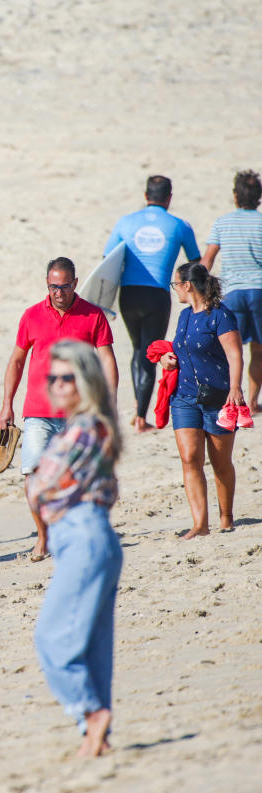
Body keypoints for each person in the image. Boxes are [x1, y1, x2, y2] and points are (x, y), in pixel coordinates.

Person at [27, 339, 123, 759]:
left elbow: (42, 485)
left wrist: (39, 488)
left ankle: (89, 712)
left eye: (68, 378)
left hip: (83, 535)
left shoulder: (85, 428)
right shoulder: (87, 427)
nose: (59, 385)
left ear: (86, 381)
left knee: (52, 637)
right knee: (94, 644)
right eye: (54, 378)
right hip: (87, 536)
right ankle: (94, 732)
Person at [0, 257, 118, 562]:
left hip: (79, 413)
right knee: (34, 474)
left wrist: (109, 404)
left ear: (75, 284)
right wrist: (6, 406)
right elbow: (16, 361)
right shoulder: (31, 316)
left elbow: (107, 360)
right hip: (38, 411)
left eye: (64, 286)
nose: (58, 293)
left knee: (78, 478)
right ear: (47, 284)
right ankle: (43, 537)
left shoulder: (93, 316)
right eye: (53, 287)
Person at [104, 175, 200, 433]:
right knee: (150, 352)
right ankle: (139, 417)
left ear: (146, 196)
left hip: (128, 294)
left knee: (138, 349)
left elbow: (107, 260)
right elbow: (195, 263)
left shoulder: (125, 222)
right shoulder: (179, 225)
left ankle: (138, 409)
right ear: (169, 198)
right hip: (156, 295)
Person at [158, 261, 244, 539]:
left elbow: (234, 355)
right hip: (183, 397)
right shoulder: (184, 316)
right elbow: (179, 348)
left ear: (188, 285)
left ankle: (226, 515)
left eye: (176, 285)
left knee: (220, 463)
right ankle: (200, 524)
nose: (175, 291)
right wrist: (166, 358)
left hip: (219, 397)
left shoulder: (220, 315)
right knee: (189, 459)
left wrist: (235, 389)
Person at [202, 170, 262, 413]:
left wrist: (202, 290)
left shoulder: (223, 222)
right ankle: (253, 401)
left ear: (236, 196)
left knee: (230, 349)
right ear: (258, 197)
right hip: (259, 291)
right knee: (258, 350)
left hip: (232, 292)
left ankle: (231, 395)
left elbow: (207, 260)